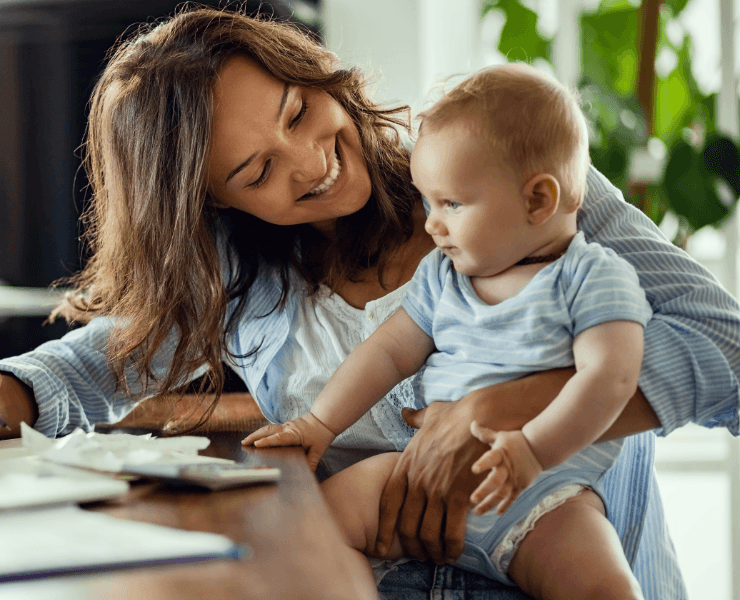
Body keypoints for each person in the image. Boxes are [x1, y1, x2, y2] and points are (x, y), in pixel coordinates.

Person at [0, 7, 740, 598]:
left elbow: (728, 353)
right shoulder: (246, 275)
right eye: (257, 173)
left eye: (300, 113)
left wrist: (506, 405)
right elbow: (103, 359)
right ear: (218, 206)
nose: (309, 164)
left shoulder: (514, 178)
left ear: (315, 75)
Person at [244, 63, 649, 598]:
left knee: (605, 586)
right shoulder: (444, 274)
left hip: (545, 496)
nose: (431, 224)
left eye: (451, 204)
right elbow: (387, 352)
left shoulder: (592, 278)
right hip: (416, 473)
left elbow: (612, 381)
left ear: (537, 201)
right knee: (312, 528)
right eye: (428, 201)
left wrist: (530, 449)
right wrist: (320, 423)